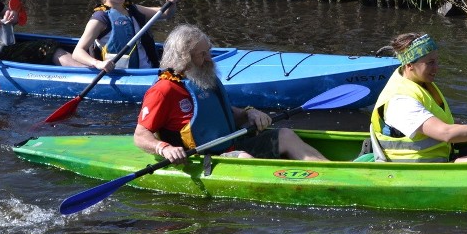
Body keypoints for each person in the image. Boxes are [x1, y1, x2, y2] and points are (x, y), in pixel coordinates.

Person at [134, 24, 328, 163]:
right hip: (202, 158)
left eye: (208, 51)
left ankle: (331, 171)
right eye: (202, 54)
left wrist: (249, 113)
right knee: (244, 159)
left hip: (231, 144)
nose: (209, 58)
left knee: (285, 134)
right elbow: (140, 135)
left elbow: (220, 114)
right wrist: (164, 148)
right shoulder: (163, 90)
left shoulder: (202, 77)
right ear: (185, 58)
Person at [370, 32, 467, 163]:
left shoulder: (420, 81)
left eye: (437, 61)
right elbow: (446, 133)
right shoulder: (401, 101)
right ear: (410, 65)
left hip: (442, 154)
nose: (436, 68)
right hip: (421, 167)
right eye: (430, 63)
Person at [72, 0, 180, 72]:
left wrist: (171, 3)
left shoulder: (133, 9)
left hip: (148, 70)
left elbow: (166, 13)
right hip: (122, 74)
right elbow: (77, 52)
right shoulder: (100, 18)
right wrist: (98, 63)